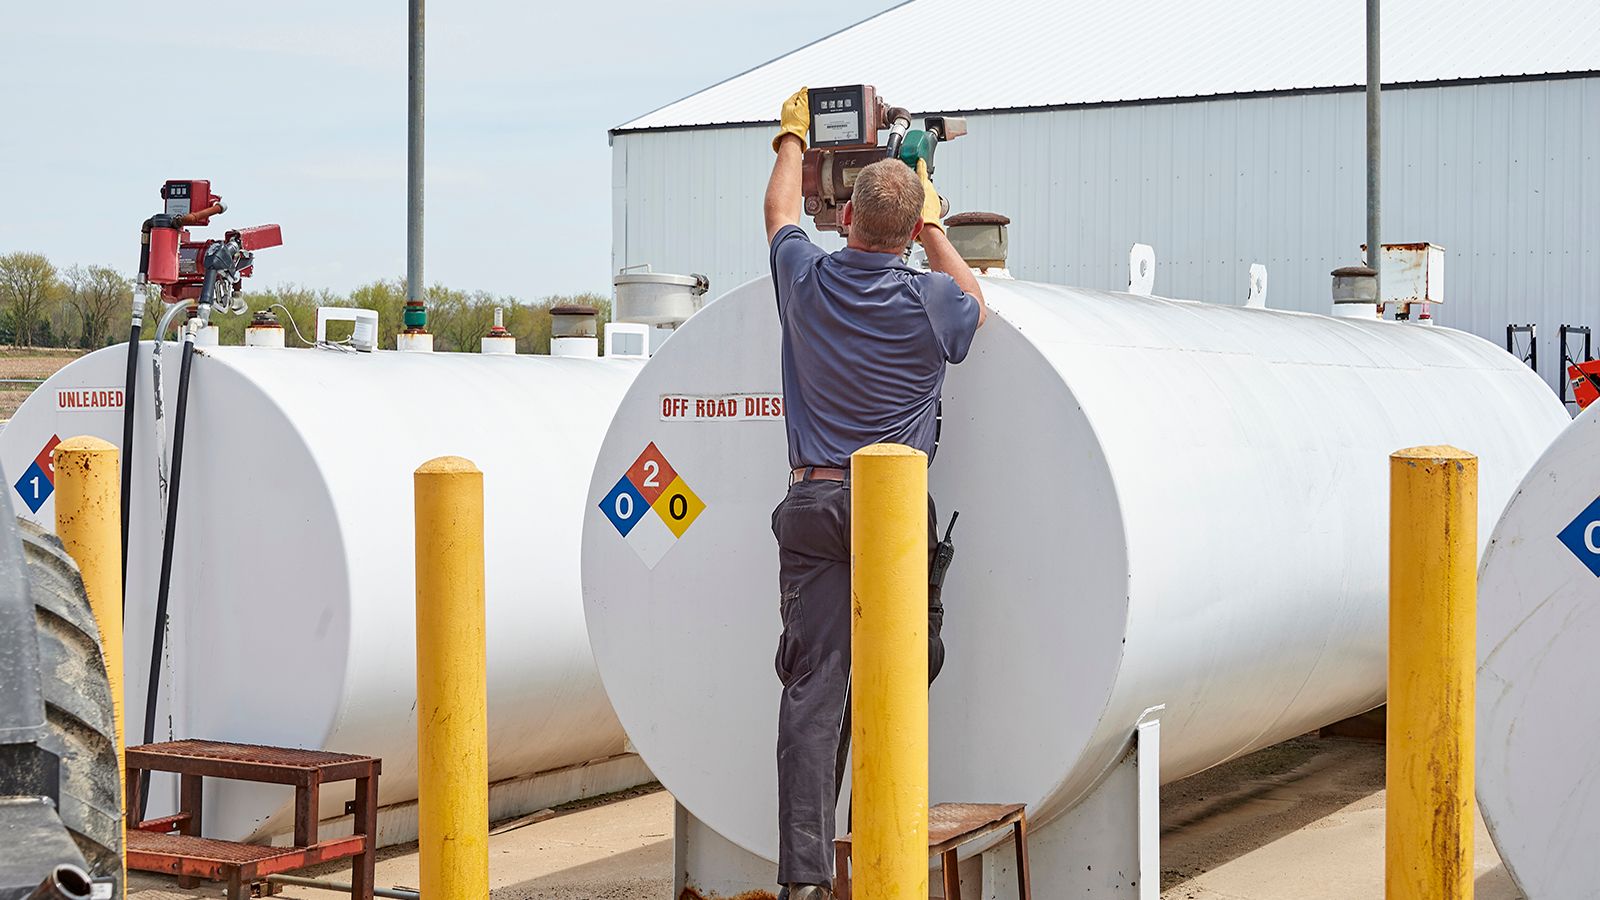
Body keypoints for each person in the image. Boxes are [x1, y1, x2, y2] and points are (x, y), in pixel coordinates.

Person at [763, 86, 988, 900]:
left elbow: (782, 212)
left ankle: (807, 885)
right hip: (892, 517)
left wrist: (794, 139)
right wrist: (930, 220)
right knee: (896, 680)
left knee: (812, 696)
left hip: (816, 506)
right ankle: (883, 861)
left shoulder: (806, 282)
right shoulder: (931, 301)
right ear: (910, 222)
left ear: (849, 219)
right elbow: (975, 301)